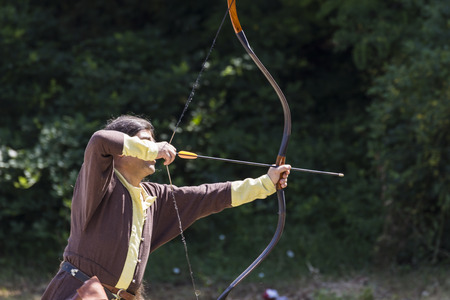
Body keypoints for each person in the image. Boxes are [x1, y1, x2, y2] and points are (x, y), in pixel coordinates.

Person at [42, 115, 291, 300]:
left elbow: (208, 196)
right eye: (143, 142)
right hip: (82, 293)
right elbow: (99, 140)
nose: (154, 149)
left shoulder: (154, 196)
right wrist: (154, 148)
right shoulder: (100, 184)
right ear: (121, 151)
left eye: (152, 143)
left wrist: (266, 183)